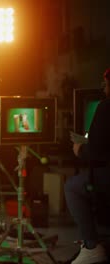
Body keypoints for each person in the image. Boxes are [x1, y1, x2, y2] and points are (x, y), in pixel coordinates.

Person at [65, 68, 110, 264]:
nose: (104, 87)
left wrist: (79, 149)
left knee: (72, 187)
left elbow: (96, 153)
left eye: (106, 84)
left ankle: (91, 246)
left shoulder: (105, 107)